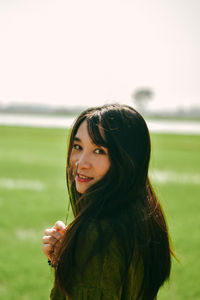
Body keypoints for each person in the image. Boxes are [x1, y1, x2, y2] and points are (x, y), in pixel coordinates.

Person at [42, 103, 173, 300]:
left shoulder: (99, 233)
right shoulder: (143, 216)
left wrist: (78, 251)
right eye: (78, 147)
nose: (81, 163)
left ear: (126, 159)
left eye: (99, 151)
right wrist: (67, 258)